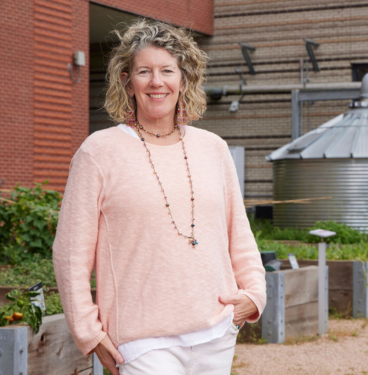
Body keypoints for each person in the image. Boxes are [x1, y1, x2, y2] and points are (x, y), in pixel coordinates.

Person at [52, 19, 266, 375]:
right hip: (142, 343)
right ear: (127, 80)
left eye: (167, 70)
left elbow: (238, 234)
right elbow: (70, 253)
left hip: (217, 332)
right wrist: (88, 331)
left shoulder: (213, 148)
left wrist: (254, 293)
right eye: (144, 71)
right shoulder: (99, 152)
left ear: (184, 79)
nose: (156, 81)